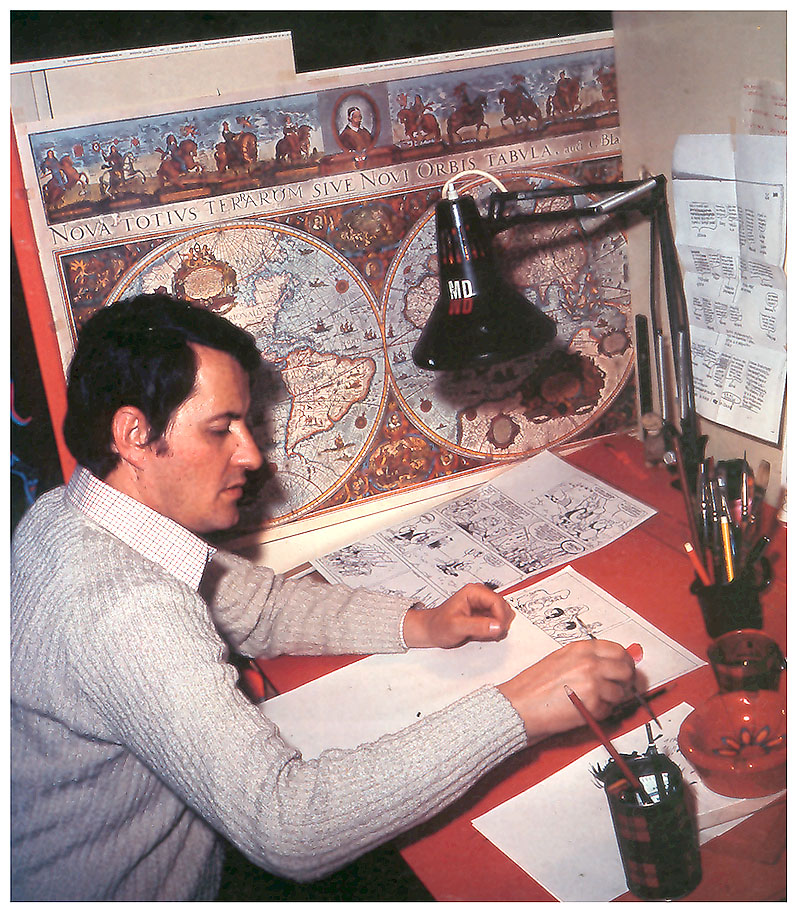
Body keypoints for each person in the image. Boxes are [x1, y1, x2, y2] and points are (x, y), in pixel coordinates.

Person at [10, 294, 636, 901]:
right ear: (134, 435)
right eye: (221, 429)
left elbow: (260, 608)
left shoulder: (70, 513)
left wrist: (421, 624)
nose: (251, 454)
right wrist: (519, 708)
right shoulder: (126, 608)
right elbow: (289, 826)